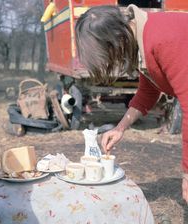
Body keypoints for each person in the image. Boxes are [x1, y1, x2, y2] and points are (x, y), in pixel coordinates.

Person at [75, 4, 188, 203]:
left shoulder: (162, 39)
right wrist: (120, 128)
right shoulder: (143, 39)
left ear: (115, 40)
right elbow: (149, 89)